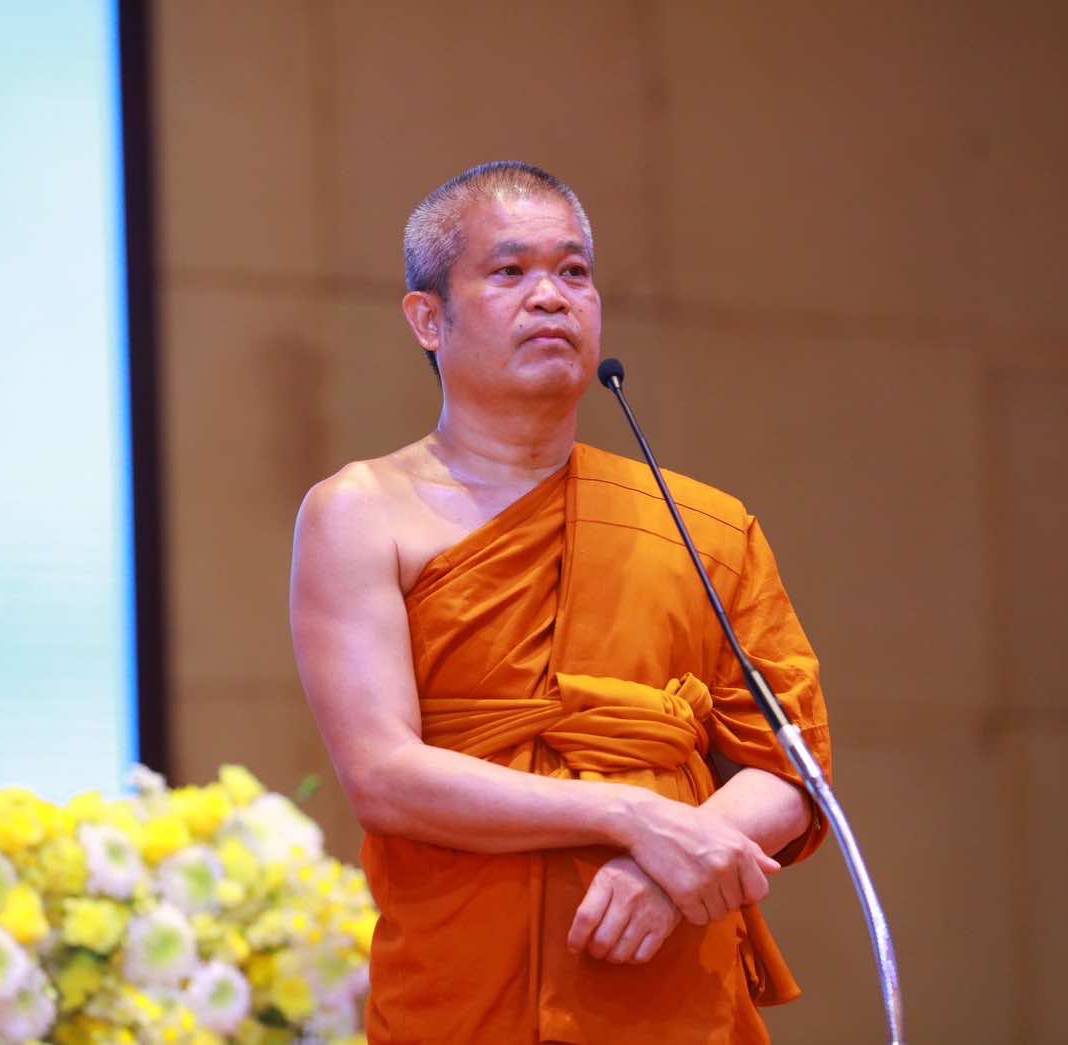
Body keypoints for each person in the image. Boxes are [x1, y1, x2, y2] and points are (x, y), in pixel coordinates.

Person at [289, 161, 832, 1044]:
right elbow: (385, 776)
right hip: (466, 983)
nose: (550, 296)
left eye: (573, 272)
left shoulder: (704, 525)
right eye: (509, 271)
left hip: (671, 982)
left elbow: (790, 766)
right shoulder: (362, 511)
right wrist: (631, 816)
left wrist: (670, 864)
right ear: (428, 317)